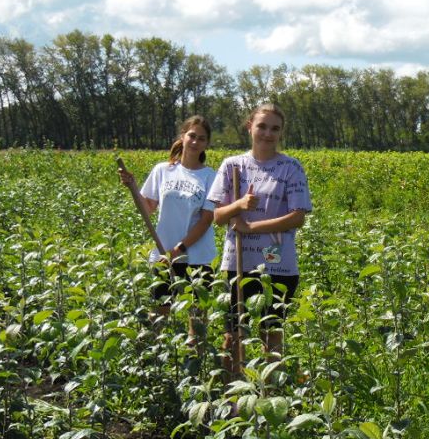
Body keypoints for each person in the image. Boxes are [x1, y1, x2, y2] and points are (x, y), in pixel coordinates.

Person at [209, 102, 312, 367]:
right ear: (249, 127)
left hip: (277, 264)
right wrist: (239, 205)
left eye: (274, 129)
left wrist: (251, 227)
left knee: (271, 333)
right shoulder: (232, 165)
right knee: (233, 334)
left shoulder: (291, 167)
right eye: (262, 126)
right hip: (238, 262)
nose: (268, 134)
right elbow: (218, 217)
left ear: (281, 133)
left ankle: (269, 397)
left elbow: (297, 216)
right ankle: (232, 401)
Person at [119, 115, 217, 344]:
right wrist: (133, 187)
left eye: (201, 139)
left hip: (197, 257)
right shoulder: (163, 170)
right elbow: (148, 208)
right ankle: (157, 368)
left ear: (206, 144)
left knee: (197, 320)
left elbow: (205, 220)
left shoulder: (210, 176)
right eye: (192, 136)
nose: (195, 142)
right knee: (159, 314)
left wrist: (179, 248)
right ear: (183, 137)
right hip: (163, 255)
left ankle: (195, 370)